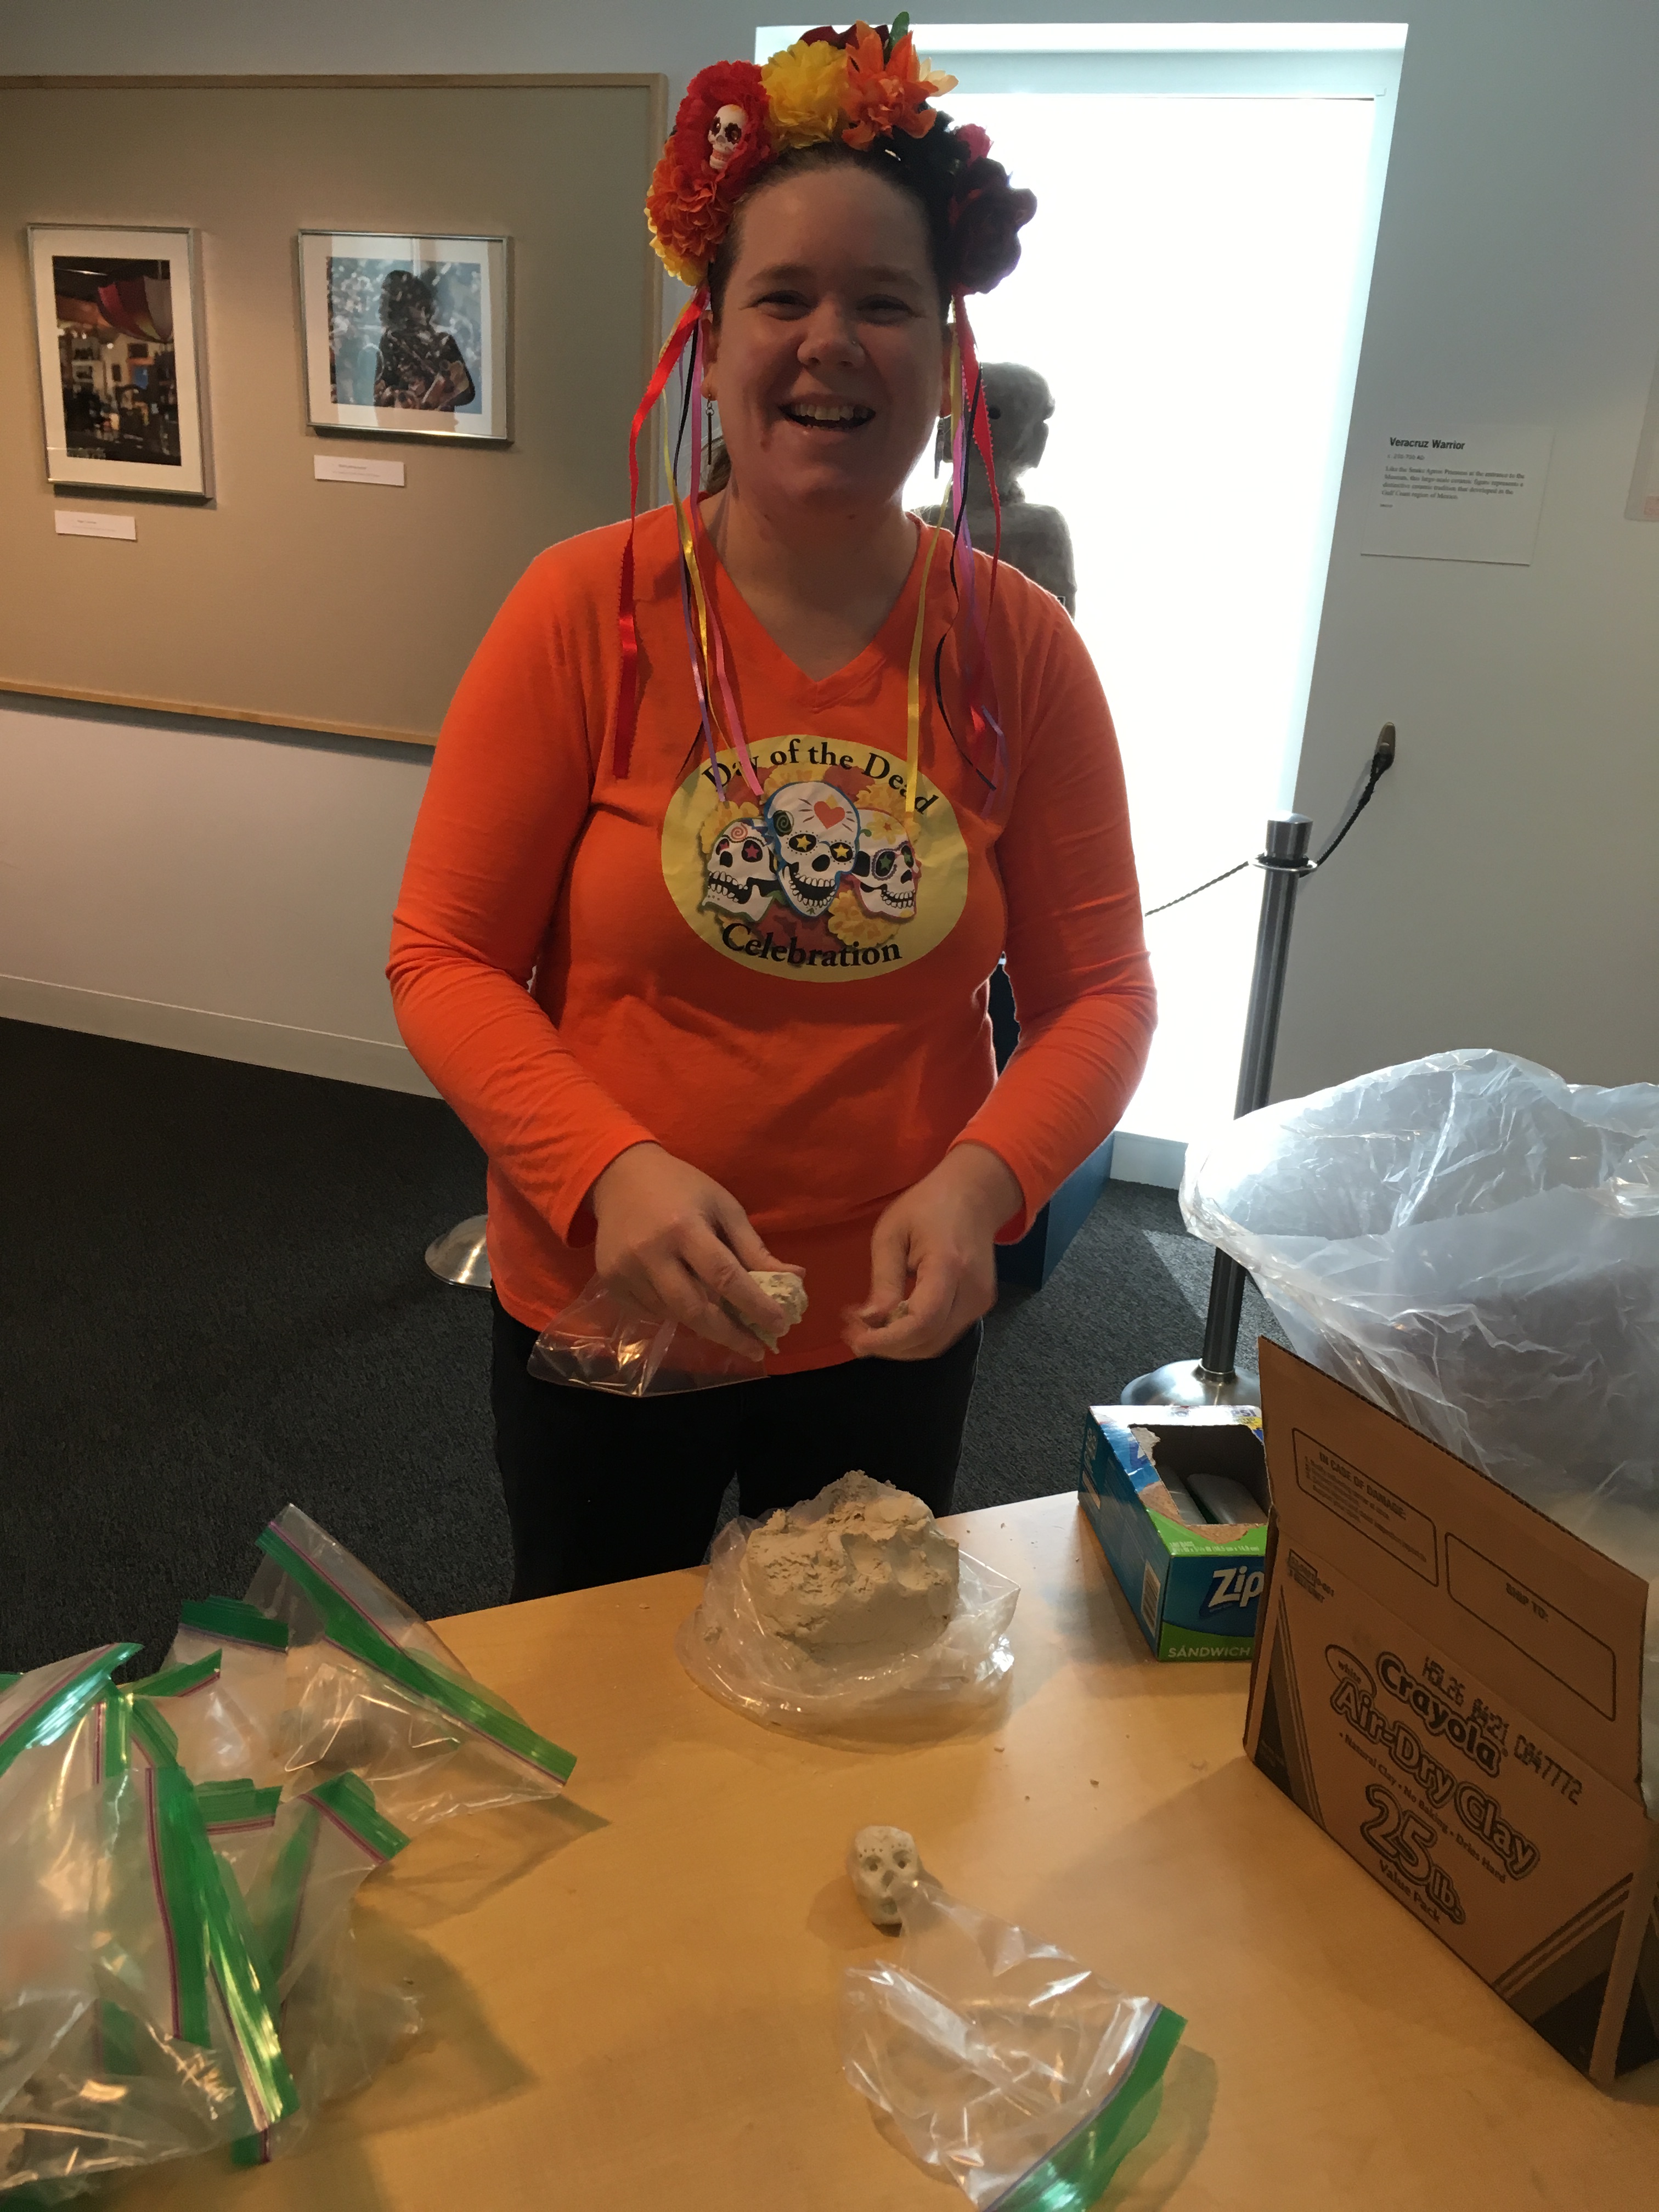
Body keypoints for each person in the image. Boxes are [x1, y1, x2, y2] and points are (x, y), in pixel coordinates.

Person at [388, 22, 1155, 1601]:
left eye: (884, 303)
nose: (832, 343)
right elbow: (443, 958)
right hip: (612, 1291)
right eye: (784, 297)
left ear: (945, 352)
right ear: (710, 335)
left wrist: (983, 1184)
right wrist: (607, 1168)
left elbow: (1102, 998)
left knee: (850, 1685)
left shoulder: (1021, 650)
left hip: (891, 1313)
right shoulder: (581, 611)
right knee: (602, 1682)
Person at [372, 269, 475, 413]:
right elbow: (381, 395)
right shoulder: (391, 342)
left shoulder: (444, 342)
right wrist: (398, 394)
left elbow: (468, 394)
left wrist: (440, 393)